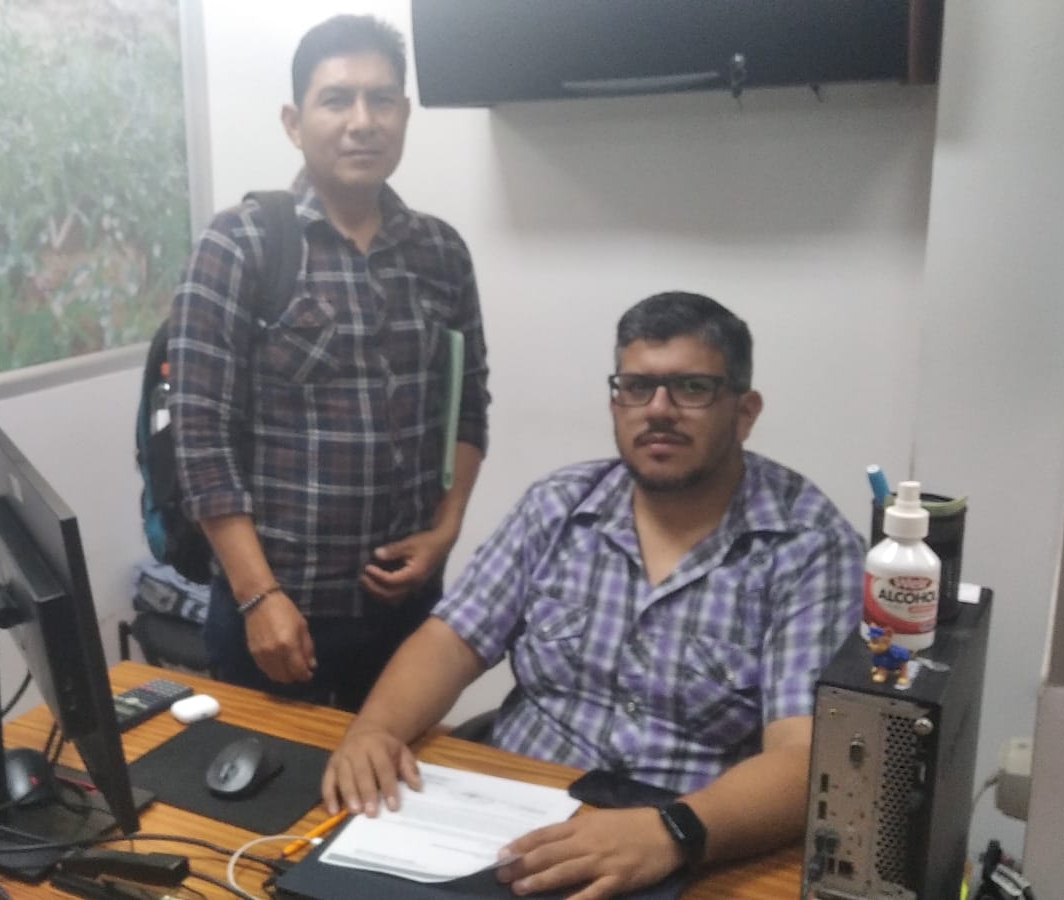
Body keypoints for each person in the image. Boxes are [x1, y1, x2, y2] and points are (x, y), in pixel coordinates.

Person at [321, 292, 864, 897]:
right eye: (637, 387)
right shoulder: (558, 504)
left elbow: (805, 756)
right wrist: (374, 730)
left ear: (744, 411)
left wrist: (674, 832)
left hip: (687, 835)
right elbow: (451, 641)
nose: (659, 410)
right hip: (513, 814)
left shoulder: (809, 546)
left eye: (692, 388)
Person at [167, 14, 490, 712]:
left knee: (394, 775)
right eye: (337, 99)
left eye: (382, 100)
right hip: (280, 613)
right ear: (295, 121)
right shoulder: (240, 245)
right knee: (272, 781)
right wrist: (259, 597)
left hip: (407, 609)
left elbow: (468, 406)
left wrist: (446, 529)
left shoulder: (441, 253)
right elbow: (200, 440)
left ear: (405, 114)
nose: (362, 122)